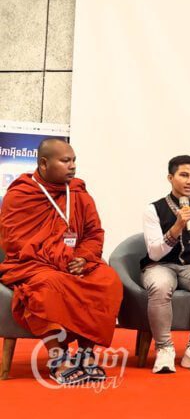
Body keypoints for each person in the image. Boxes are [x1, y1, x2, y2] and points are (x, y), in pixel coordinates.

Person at [0, 138, 123, 385]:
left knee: (107, 280)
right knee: (47, 286)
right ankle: (58, 358)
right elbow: (15, 242)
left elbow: (94, 233)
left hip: (75, 262)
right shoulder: (21, 194)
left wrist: (83, 258)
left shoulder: (78, 192)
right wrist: (60, 259)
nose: (73, 166)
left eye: (74, 160)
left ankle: (86, 354)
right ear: (44, 163)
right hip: (34, 265)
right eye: (65, 161)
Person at [141, 155, 190, 373]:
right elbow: (155, 253)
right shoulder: (153, 209)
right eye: (184, 175)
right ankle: (164, 348)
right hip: (159, 266)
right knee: (160, 285)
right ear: (170, 177)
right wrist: (177, 226)